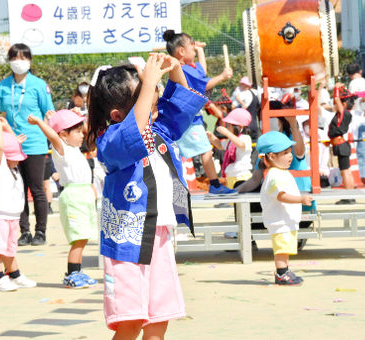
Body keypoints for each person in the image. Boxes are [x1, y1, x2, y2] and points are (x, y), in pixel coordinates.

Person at [87, 54, 207, 338]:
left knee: (158, 322)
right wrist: (149, 81)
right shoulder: (110, 141)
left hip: (160, 236)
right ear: (116, 115)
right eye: (144, 96)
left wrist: (175, 70)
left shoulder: (160, 130)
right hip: (127, 243)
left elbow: (180, 106)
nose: (153, 100)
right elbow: (135, 132)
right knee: (130, 322)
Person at [27, 110, 98, 288]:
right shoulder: (62, 149)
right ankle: (72, 274)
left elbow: (88, 130)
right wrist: (40, 122)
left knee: (84, 236)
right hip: (74, 197)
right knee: (78, 237)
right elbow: (52, 136)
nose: (81, 135)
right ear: (63, 135)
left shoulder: (75, 150)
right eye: (76, 131)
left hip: (84, 195)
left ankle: (78, 271)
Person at [163, 30, 235, 195]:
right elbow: (205, 84)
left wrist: (200, 49)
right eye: (192, 47)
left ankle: (210, 185)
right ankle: (215, 185)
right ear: (181, 51)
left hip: (187, 118)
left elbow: (202, 71)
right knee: (205, 150)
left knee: (182, 152)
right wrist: (223, 76)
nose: (194, 50)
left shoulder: (188, 68)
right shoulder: (182, 69)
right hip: (186, 119)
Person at [0, 43, 55, 246]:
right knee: (17, 187)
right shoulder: (3, 85)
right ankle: (24, 231)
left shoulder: (39, 85)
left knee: (37, 188)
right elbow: (3, 115)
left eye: (23, 58)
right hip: (13, 143)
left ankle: (41, 231)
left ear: (29, 61)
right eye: (14, 58)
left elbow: (49, 113)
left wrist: (51, 137)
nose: (18, 62)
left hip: (35, 143)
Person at [0, 119, 37, 291]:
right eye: (14, 158)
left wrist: (6, 128)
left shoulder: (13, 168)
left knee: (10, 248)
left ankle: (15, 274)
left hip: (12, 216)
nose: (17, 161)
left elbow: (13, 145)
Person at [257, 131, 313, 285]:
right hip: (280, 221)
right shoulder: (275, 175)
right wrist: (300, 199)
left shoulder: (281, 172)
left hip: (285, 220)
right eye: (285, 153)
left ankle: (285, 271)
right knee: (281, 249)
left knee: (286, 248)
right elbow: (281, 195)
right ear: (272, 156)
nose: (290, 156)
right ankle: (281, 274)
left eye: (290, 152)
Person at [206, 108, 253, 188]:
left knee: (239, 200)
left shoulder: (245, 138)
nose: (227, 128)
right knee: (232, 200)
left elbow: (241, 144)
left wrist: (226, 133)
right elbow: (220, 145)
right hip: (231, 177)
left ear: (240, 126)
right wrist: (211, 137)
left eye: (229, 125)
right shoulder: (231, 140)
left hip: (242, 177)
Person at [329, 83, 356, 204]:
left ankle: (349, 196)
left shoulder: (344, 113)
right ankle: (350, 195)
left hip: (341, 144)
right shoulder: (346, 114)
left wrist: (336, 88)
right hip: (341, 144)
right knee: (346, 170)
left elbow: (336, 99)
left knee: (345, 171)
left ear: (344, 104)